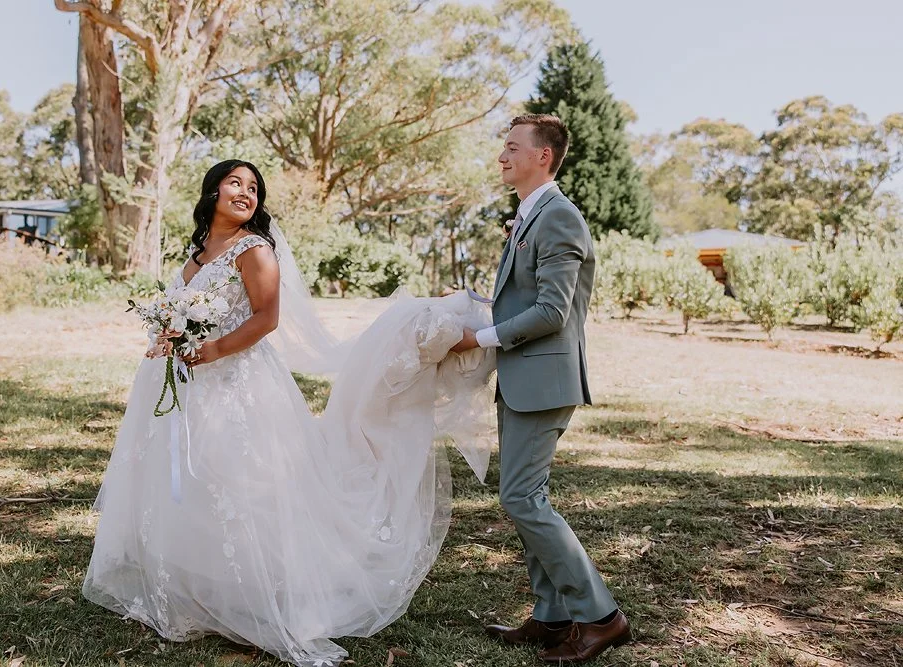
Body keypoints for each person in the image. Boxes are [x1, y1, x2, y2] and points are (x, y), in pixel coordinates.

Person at [83, 159, 496, 667]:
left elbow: (267, 318)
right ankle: (201, 587)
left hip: (238, 385)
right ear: (212, 191)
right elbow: (179, 309)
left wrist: (211, 350)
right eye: (235, 183)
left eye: (254, 187)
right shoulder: (197, 251)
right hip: (184, 384)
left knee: (240, 483)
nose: (245, 192)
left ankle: (259, 594)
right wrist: (166, 336)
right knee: (190, 482)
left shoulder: (254, 250)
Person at [450, 114, 632, 662]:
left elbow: (553, 311)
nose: (502, 156)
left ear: (543, 156)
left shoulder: (558, 218)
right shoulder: (530, 215)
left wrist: (477, 337)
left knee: (521, 497)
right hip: (524, 378)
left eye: (512, 147)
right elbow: (526, 299)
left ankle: (600, 616)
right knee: (528, 496)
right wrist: (475, 307)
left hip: (546, 380)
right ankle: (552, 618)